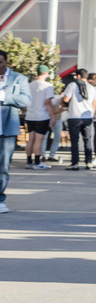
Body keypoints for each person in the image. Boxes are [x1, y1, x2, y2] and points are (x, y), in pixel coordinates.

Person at [0, 50, 31, 213]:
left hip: (7, 129)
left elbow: (25, 100)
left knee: (3, 166)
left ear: (6, 62)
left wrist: (4, 96)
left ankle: (0, 199)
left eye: (0, 62)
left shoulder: (19, 79)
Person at [62, 68, 96, 171]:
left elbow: (65, 99)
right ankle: (89, 162)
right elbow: (94, 104)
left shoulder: (72, 85)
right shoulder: (92, 88)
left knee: (75, 141)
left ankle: (75, 163)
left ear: (78, 76)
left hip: (74, 116)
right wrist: (91, 114)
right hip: (87, 117)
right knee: (88, 140)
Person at [24, 65, 55, 170]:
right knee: (39, 140)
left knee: (30, 139)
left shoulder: (29, 85)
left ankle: (29, 161)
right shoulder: (48, 86)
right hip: (42, 116)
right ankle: (37, 162)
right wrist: (52, 116)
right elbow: (47, 102)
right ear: (46, 73)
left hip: (30, 115)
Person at [44, 93, 64, 162]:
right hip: (47, 118)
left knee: (58, 136)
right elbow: (48, 111)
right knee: (44, 137)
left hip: (57, 119)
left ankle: (52, 155)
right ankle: (42, 155)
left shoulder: (64, 100)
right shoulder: (54, 99)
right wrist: (56, 112)